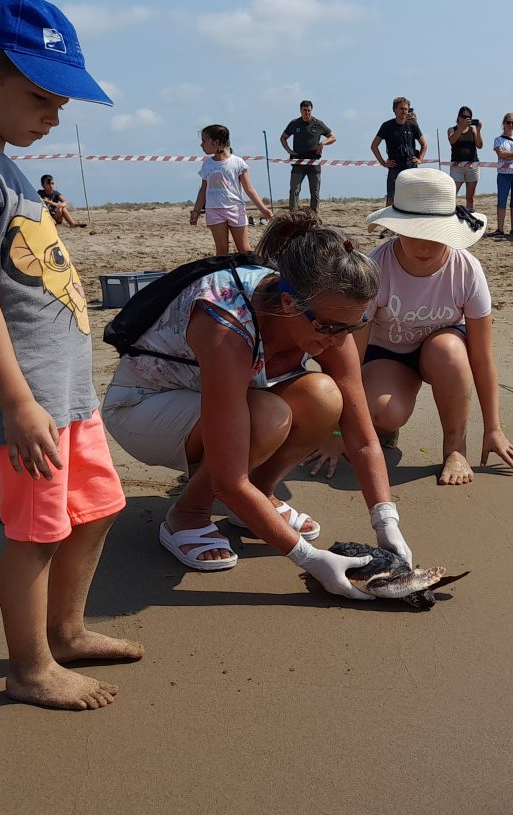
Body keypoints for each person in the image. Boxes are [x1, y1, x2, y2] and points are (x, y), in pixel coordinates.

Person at [0, 0, 143, 711]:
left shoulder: (4, 165)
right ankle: (28, 667)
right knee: (37, 529)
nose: (54, 116)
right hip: (27, 403)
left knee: (99, 506)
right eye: (41, 97)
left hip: (65, 394)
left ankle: (67, 629)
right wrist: (19, 403)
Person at [102, 212, 414, 594]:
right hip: (145, 407)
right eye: (332, 328)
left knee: (324, 397)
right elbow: (230, 478)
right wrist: (309, 558)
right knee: (268, 415)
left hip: (216, 403)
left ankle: (255, 503)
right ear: (288, 303)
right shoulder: (225, 322)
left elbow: (363, 438)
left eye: (356, 326)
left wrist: (387, 522)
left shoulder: (334, 317)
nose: (340, 340)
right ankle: (187, 515)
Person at [349, 168, 513, 486]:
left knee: (449, 351)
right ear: (395, 228)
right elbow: (349, 355)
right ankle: (386, 428)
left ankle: (455, 449)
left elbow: (483, 359)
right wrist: (337, 431)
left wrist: (493, 428)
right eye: (413, 232)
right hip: (388, 353)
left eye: (435, 233)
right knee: (385, 412)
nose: (424, 246)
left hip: (443, 351)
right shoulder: (375, 269)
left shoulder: (467, 270)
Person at [189, 124, 274, 256]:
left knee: (244, 249)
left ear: (216, 142)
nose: (202, 145)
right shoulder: (207, 164)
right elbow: (203, 190)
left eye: (204, 141)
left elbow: (249, 188)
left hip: (235, 209)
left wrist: (263, 209)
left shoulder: (237, 162)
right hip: (214, 211)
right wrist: (196, 211)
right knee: (222, 252)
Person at [280, 99, 335, 214]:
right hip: (298, 162)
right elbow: (283, 138)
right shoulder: (294, 123)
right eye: (304, 110)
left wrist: (322, 144)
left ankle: (314, 216)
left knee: (315, 192)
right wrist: (289, 150)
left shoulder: (318, 123)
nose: (307, 113)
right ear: (300, 110)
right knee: (294, 190)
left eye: (309, 110)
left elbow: (333, 137)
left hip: (314, 163)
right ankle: (293, 215)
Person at [371, 97, 427, 206]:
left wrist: (420, 159)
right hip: (395, 167)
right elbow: (374, 146)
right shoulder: (387, 126)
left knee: (413, 197)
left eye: (406, 109)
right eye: (401, 109)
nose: (404, 112)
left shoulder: (413, 125)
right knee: (391, 199)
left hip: (411, 167)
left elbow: (424, 145)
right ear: (395, 110)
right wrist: (383, 162)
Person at [491, 113, 513, 237]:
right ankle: (500, 228)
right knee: (502, 201)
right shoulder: (498, 139)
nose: (511, 125)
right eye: (508, 122)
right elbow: (500, 155)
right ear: (504, 123)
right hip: (504, 174)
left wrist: (508, 154)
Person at [447, 106, 483, 209]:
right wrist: (461, 128)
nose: (466, 119)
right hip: (457, 166)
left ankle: (470, 216)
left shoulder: (473, 130)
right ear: (458, 117)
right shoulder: (452, 129)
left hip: (472, 166)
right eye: (464, 117)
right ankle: (450, 215)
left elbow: (479, 145)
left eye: (469, 117)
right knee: (452, 194)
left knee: (470, 197)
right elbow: (452, 140)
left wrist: (479, 130)